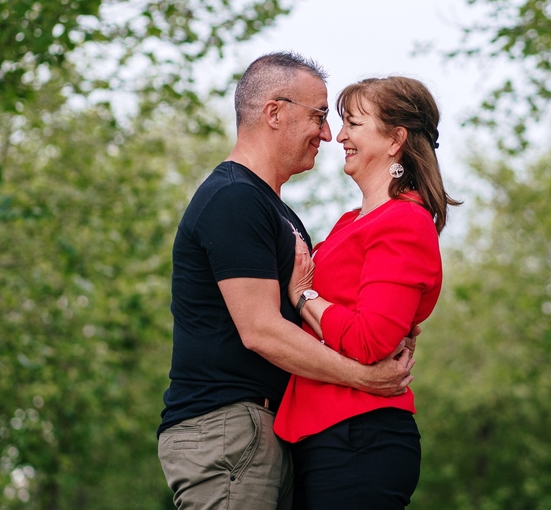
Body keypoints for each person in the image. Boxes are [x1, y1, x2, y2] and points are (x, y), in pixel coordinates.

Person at [157, 53, 416, 510]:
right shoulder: (233, 199)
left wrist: (391, 323)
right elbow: (260, 331)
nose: (327, 133)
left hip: (265, 430)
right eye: (319, 116)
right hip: (226, 429)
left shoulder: (274, 210)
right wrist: (364, 377)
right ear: (274, 112)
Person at [275, 76, 459, 510]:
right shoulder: (346, 223)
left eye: (353, 124)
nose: (339, 136)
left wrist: (305, 297)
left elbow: (369, 340)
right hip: (321, 434)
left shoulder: (405, 222)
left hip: (359, 436)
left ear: (395, 139)